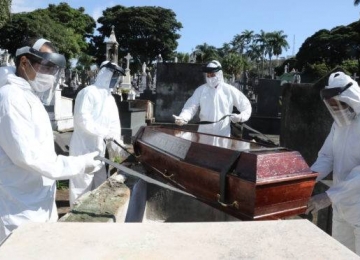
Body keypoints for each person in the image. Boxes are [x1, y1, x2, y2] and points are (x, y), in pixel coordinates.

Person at [0, 38, 101, 243]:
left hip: (37, 199)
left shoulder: (28, 95)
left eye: (53, 69)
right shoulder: (10, 98)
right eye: (45, 67)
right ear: (24, 63)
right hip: (17, 207)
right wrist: (79, 164)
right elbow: (28, 156)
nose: (49, 75)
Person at [306, 71, 360, 255]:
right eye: (331, 106)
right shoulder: (338, 124)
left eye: (337, 104)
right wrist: (306, 179)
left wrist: (329, 196)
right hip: (341, 207)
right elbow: (327, 157)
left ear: (350, 99)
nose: (335, 110)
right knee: (341, 254)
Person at [69, 61, 126, 207]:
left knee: (100, 185)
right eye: (113, 75)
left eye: (117, 77)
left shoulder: (110, 98)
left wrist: (119, 148)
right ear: (104, 73)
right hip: (83, 148)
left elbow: (114, 126)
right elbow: (82, 119)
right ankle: (75, 219)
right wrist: (103, 132)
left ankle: (95, 216)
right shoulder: (88, 92)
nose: (115, 79)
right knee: (81, 185)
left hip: (100, 150)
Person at [173, 60, 252, 137]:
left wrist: (240, 117)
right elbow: (191, 107)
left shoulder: (230, 90)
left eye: (212, 75)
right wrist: (183, 118)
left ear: (219, 74)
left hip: (223, 135)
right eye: (208, 75)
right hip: (204, 134)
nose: (210, 78)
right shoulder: (201, 90)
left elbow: (246, 106)